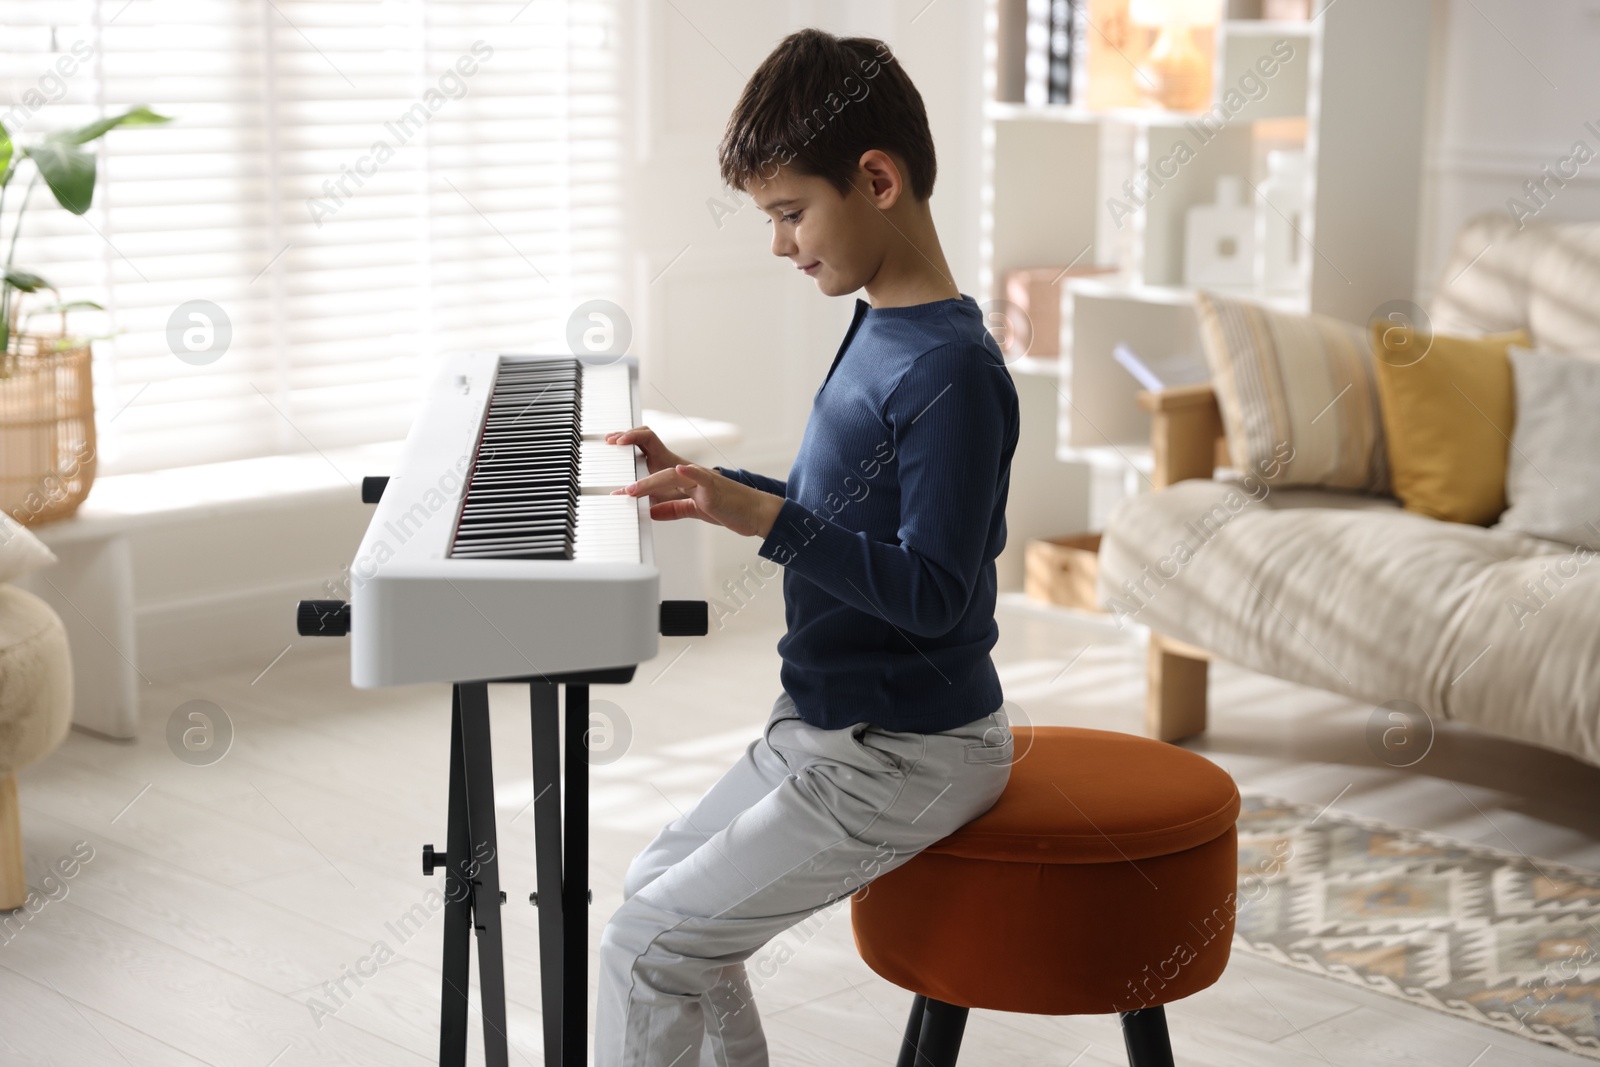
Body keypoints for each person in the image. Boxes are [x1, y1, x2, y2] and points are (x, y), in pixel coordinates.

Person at [594, 26, 1021, 1067]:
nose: (781, 244)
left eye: (791, 213)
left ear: (875, 179)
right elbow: (850, 506)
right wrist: (722, 488)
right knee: (653, 905)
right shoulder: (881, 322)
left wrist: (761, 518)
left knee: (648, 943)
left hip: (908, 750)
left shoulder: (955, 372)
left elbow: (930, 592)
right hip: (827, 724)